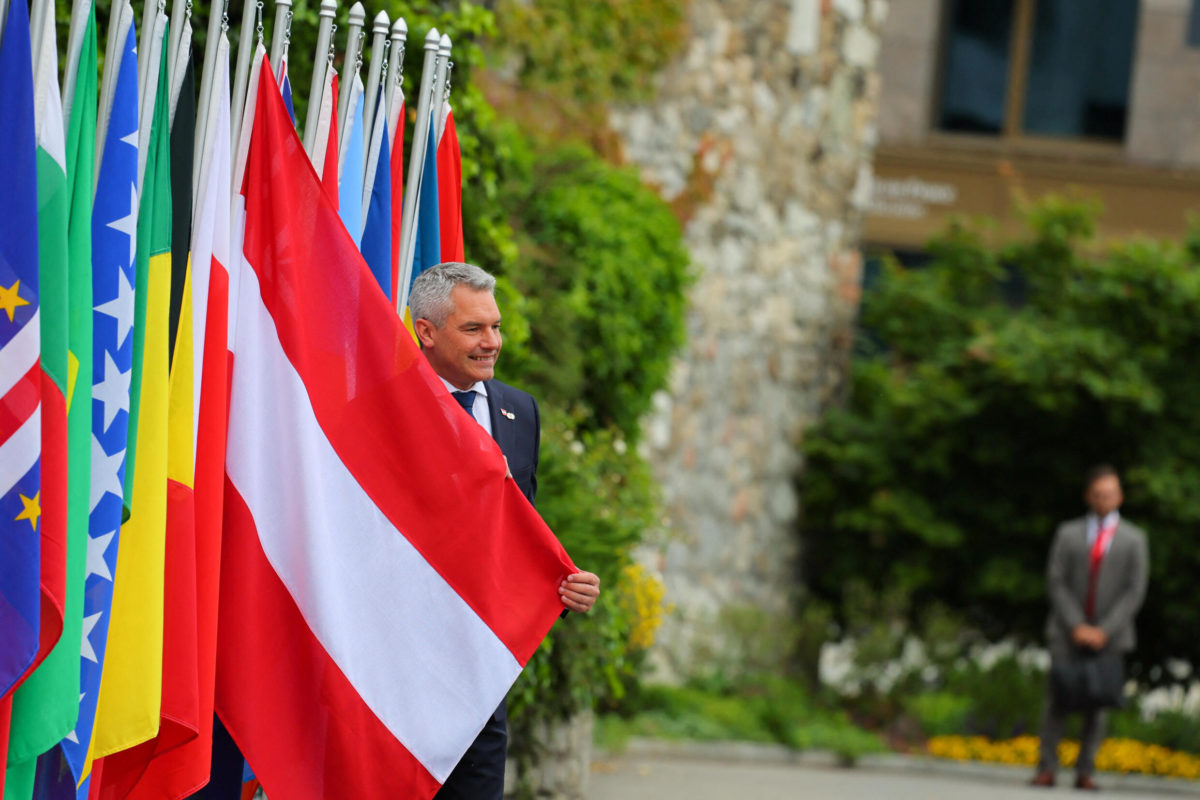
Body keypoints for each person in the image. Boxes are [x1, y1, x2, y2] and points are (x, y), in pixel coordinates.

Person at [409, 261, 601, 799]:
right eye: (474, 329)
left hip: (480, 672)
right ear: (426, 331)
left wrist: (561, 586)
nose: (492, 342)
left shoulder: (519, 410)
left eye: (495, 326)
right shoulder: (380, 404)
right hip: (396, 666)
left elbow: (519, 531)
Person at [1030, 465, 1148, 791]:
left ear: (1120, 495)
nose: (1104, 500)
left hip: (1110, 636)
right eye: (1098, 494)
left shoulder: (1134, 539)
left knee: (1097, 705)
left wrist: (1104, 630)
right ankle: (1046, 767)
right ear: (1088, 496)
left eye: (1110, 493)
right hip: (1068, 632)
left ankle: (1086, 771)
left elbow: (1134, 591)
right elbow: (1056, 582)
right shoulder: (1067, 534)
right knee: (1057, 698)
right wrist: (1077, 624)